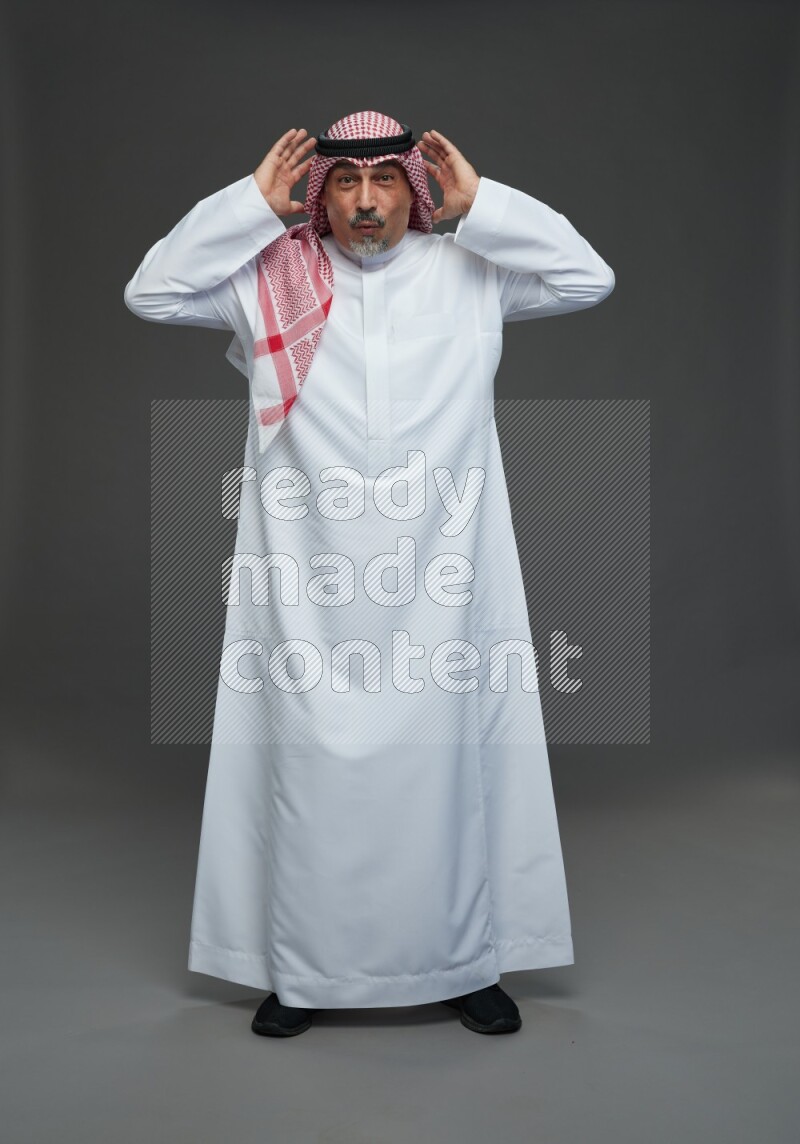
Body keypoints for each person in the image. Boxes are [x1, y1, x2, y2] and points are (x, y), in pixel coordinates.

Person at [124, 110, 615, 1038]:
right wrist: (250, 210)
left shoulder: (471, 271)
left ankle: (464, 962)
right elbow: (151, 293)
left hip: (447, 570)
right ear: (321, 196)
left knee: (449, 758)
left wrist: (486, 205)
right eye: (344, 184)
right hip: (306, 577)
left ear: (414, 192)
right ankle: (301, 971)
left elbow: (589, 277)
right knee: (306, 759)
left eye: (384, 181)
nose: (363, 202)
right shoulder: (275, 279)